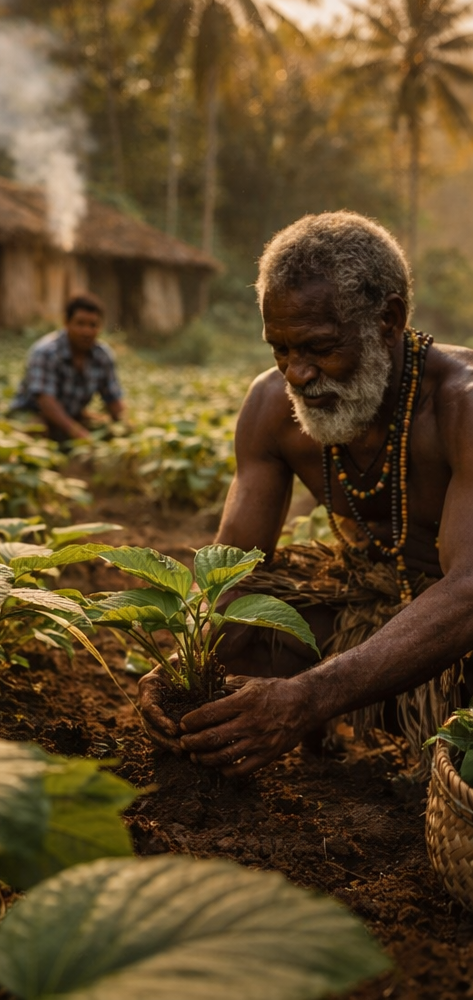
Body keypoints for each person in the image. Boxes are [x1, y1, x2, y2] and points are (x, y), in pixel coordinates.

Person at [139, 210, 473, 778]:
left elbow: (469, 592)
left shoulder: (461, 404)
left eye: (319, 347)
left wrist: (310, 696)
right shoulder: (271, 408)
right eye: (280, 350)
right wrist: (184, 665)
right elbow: (232, 569)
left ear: (389, 320)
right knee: (238, 645)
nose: (297, 373)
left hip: (456, 632)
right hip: (363, 605)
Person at [10, 292, 125, 442]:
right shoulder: (46, 352)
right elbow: (46, 402)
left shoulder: (102, 355)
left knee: (106, 428)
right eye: (80, 324)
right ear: (66, 323)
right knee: (37, 429)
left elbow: (113, 399)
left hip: (72, 414)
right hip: (33, 412)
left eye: (93, 325)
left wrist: (124, 427)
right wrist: (77, 432)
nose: (87, 331)